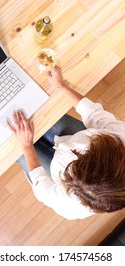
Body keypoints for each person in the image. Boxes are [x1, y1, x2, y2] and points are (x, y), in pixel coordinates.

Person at [7, 66, 125, 220]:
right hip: (69, 137)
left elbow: (41, 186)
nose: (79, 152)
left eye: (80, 155)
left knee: (13, 147)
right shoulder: (120, 138)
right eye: (95, 144)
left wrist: (26, 145)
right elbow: (93, 113)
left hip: (54, 171)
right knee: (38, 113)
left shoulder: (69, 204)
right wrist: (61, 86)